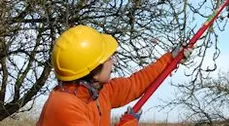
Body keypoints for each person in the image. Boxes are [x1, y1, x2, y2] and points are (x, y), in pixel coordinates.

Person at [37, 25, 191, 126]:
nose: (114, 61)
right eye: (108, 58)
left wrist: (170, 58)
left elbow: (135, 84)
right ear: (94, 71)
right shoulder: (63, 107)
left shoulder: (98, 91)